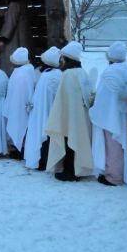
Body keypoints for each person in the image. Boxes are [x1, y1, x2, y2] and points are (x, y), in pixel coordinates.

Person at [45, 41, 94, 182]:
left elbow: (61, 100)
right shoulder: (82, 72)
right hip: (82, 116)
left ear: (67, 59)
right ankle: (77, 169)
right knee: (78, 140)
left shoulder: (68, 75)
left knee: (69, 140)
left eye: (62, 58)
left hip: (70, 116)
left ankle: (70, 171)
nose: (60, 61)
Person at [89, 41, 127, 186]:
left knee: (112, 145)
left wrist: (94, 108)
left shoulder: (109, 72)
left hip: (110, 113)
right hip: (126, 112)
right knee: (125, 144)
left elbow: (103, 96)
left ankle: (114, 176)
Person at [24, 47, 62, 170]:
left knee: (43, 134)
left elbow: (38, 97)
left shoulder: (45, 76)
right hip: (56, 112)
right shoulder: (60, 75)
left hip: (42, 112)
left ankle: (42, 161)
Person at [4, 47, 36, 158]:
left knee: (18, 125)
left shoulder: (19, 73)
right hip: (26, 104)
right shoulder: (30, 70)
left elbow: (12, 92)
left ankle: (19, 150)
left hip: (18, 105)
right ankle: (21, 148)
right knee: (24, 126)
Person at [0, 0, 31, 75]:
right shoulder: (22, 5)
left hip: (14, 39)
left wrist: (3, 39)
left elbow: (10, 23)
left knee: (12, 63)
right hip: (23, 39)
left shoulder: (13, 5)